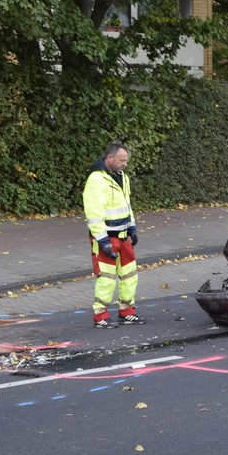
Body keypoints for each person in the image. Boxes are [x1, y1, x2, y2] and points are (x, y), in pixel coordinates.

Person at [83, 141, 146, 328]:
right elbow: (94, 213)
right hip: (107, 237)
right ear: (109, 158)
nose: (124, 164)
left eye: (126, 160)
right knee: (107, 277)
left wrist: (132, 228)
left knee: (129, 275)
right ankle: (100, 315)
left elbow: (126, 206)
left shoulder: (123, 177)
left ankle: (127, 312)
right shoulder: (96, 180)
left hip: (123, 235)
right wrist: (103, 241)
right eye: (121, 160)